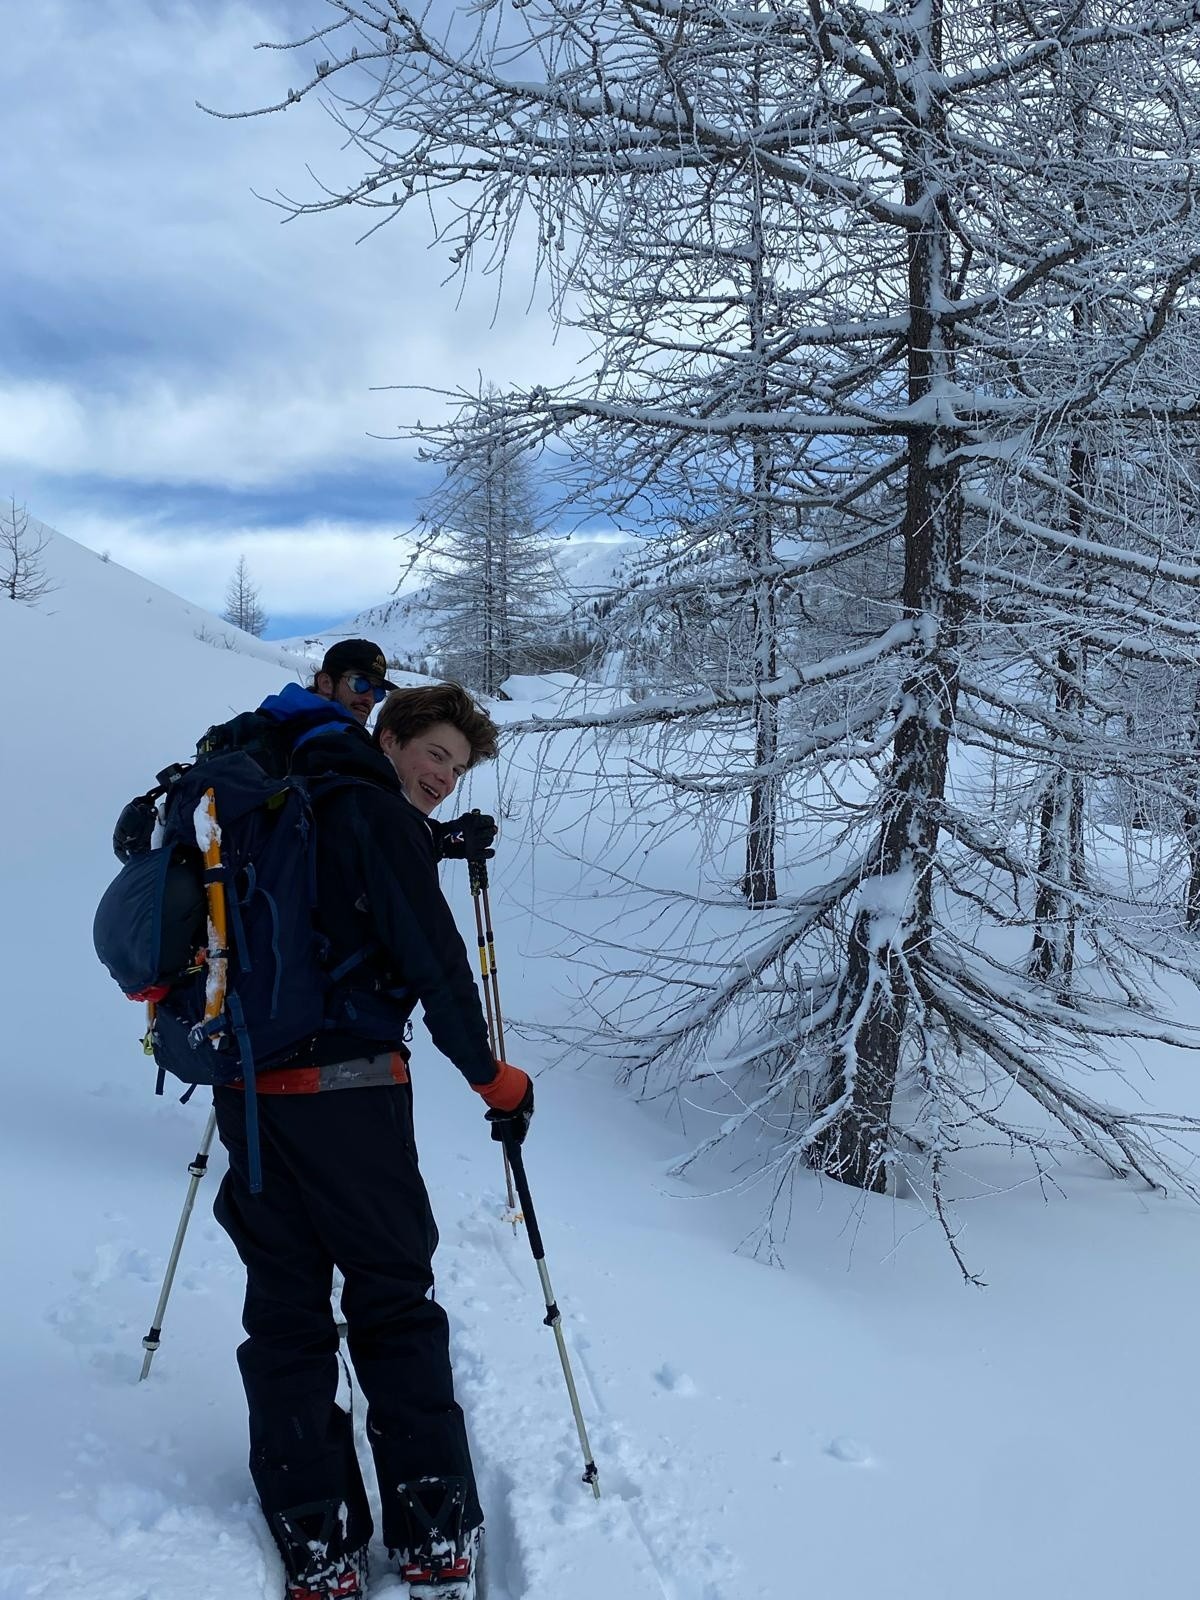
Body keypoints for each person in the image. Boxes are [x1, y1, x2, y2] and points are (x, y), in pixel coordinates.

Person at [211, 681, 532, 1600]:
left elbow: (329, 905)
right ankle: (430, 1527)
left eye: (458, 770)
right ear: (384, 737)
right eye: (433, 755)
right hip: (353, 1098)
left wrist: (426, 841)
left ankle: (315, 1534)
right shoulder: (371, 817)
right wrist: (493, 1080)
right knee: (392, 1298)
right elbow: (432, 962)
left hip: (252, 1096)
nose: (443, 779)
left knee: (284, 1309)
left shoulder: (271, 804)